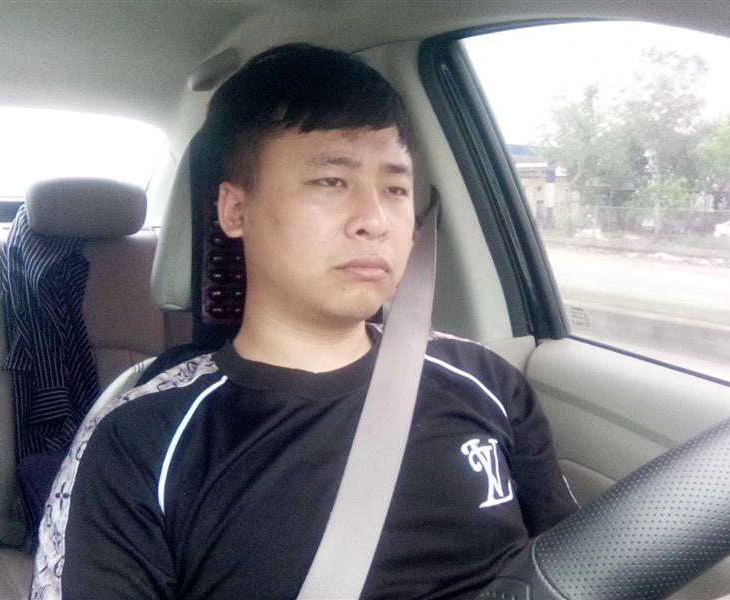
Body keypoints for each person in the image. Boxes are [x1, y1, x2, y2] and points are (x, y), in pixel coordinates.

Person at [31, 43, 578, 600]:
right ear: (235, 211)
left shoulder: (488, 381)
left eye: (395, 189)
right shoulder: (142, 439)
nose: (375, 220)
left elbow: (574, 571)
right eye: (331, 181)